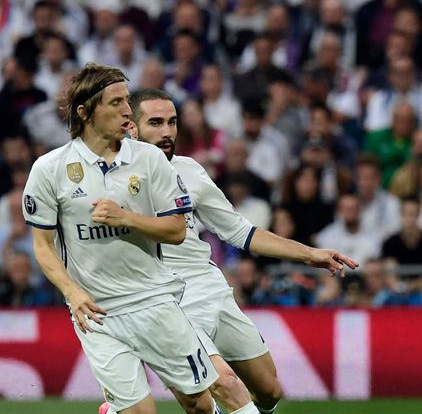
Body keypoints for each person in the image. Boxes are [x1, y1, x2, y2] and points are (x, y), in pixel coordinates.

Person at [121, 88, 359, 414]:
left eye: (172, 122)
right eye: (156, 122)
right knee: (226, 385)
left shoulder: (190, 171)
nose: (166, 132)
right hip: (167, 300)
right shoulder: (112, 177)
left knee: (268, 392)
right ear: (131, 127)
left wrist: (310, 254)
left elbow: (240, 231)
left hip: (210, 289)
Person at [23, 64, 221, 414]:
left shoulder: (150, 160)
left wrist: (125, 217)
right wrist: (72, 292)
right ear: (85, 112)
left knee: (200, 405)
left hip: (154, 301)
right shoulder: (50, 169)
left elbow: (177, 231)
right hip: (97, 313)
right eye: (115, 102)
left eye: (127, 100)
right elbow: (43, 246)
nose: (127, 110)